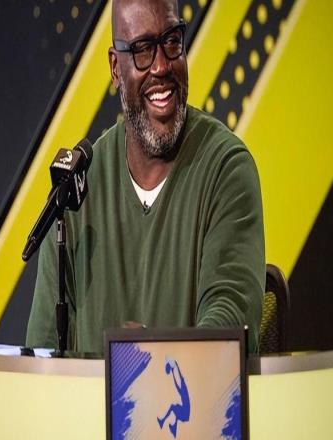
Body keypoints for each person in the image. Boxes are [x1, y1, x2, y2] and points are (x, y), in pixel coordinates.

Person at [26, 0, 265, 354]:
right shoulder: (76, 190)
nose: (161, 66)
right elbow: (41, 354)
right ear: (115, 67)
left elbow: (229, 326)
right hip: (91, 395)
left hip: (188, 392)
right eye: (142, 49)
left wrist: (154, 357)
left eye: (172, 41)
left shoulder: (226, 169)